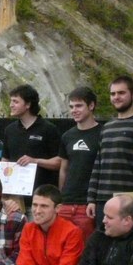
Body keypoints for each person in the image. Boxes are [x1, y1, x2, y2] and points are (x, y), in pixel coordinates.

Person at [87, 75, 133, 228]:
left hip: (127, 202)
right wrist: (91, 199)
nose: (116, 97)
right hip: (103, 201)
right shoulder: (107, 126)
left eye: (121, 93)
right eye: (113, 94)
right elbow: (98, 164)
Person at [2, 84, 61, 212]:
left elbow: (59, 162)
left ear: (28, 104)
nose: (11, 105)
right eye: (11, 101)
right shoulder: (10, 130)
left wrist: (35, 160)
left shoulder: (48, 129)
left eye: (15, 101)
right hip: (14, 199)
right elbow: (5, 159)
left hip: (40, 200)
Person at [58, 87, 101, 240]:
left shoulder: (103, 134)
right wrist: (60, 198)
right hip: (66, 203)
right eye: (71, 107)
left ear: (91, 106)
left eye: (79, 106)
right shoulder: (67, 136)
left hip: (88, 203)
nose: (74, 110)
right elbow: (64, 169)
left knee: (85, 250)